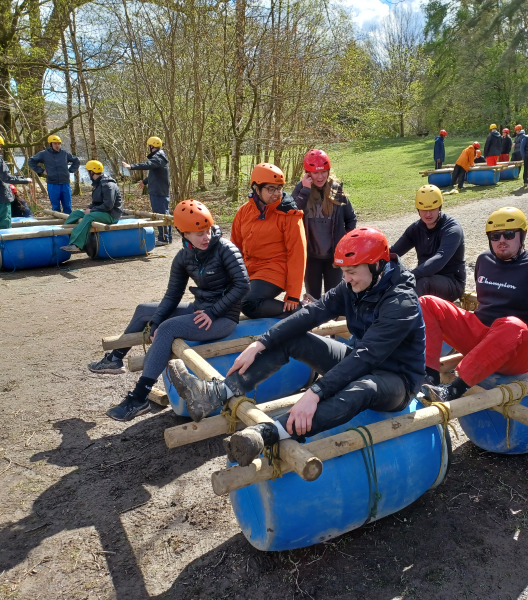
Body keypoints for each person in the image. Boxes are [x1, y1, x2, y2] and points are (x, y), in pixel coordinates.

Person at [166, 226, 426, 467]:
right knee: (292, 338)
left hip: (396, 380)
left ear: (378, 265)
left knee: (364, 388)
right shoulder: (354, 284)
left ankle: (268, 433)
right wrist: (262, 342)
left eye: (352, 272)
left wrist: (315, 392)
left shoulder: (401, 302)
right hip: (359, 360)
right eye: (344, 272)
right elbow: (312, 313)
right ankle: (215, 394)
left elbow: (366, 357)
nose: (346, 280)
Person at [96, 200, 250, 421]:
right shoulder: (183, 257)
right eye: (198, 233)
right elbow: (172, 295)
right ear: (183, 233)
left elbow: (243, 285)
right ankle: (115, 359)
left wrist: (214, 312)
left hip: (223, 317)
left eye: (207, 230)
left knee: (168, 329)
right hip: (200, 309)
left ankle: (139, 397)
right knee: (144, 311)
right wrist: (156, 321)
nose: (205, 237)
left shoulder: (225, 248)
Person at [420, 207, 528, 403]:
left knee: (511, 324)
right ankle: (430, 377)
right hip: (483, 337)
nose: (501, 240)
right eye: (495, 236)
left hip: (518, 350)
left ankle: (454, 389)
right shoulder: (484, 260)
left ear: (522, 235)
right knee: (427, 302)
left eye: (509, 234)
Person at [231, 163, 307, 318]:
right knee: (230, 297)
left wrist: (293, 294)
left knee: (249, 303)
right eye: (270, 189)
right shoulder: (243, 212)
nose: (276, 193)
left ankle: (301, 312)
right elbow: (234, 248)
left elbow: (298, 254)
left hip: (276, 269)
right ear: (256, 189)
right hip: (250, 269)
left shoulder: (289, 215)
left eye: (279, 188)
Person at [291, 149, 357, 301]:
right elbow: (291, 212)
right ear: (308, 173)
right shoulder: (301, 189)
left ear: (328, 171)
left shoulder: (336, 189)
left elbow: (351, 218)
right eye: (315, 173)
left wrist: (344, 242)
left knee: (333, 299)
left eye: (323, 172)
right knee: (312, 299)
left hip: (333, 257)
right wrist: (305, 189)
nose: (320, 177)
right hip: (310, 256)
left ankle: (333, 325)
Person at [390, 184, 466, 302]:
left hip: (451, 282)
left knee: (421, 282)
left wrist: (412, 274)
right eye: (424, 210)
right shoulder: (415, 229)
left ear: (439, 207)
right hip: (424, 276)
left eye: (432, 209)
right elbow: (394, 251)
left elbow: (439, 259)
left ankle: (409, 318)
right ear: (418, 210)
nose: (428, 214)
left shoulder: (452, 229)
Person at [60, 160, 122, 253]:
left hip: (111, 214)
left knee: (89, 216)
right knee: (76, 213)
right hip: (101, 211)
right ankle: (62, 236)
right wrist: (89, 208)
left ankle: (76, 244)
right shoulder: (98, 183)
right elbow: (96, 202)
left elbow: (108, 206)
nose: (88, 174)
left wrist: (91, 211)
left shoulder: (108, 185)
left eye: (88, 171)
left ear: (91, 172)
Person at [122, 136, 171, 247]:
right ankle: (166, 237)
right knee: (162, 214)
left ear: (151, 146)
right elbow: (155, 174)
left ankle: (164, 238)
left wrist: (131, 167)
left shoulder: (158, 157)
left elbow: (148, 165)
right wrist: (144, 181)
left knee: (161, 215)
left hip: (159, 192)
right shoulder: (159, 157)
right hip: (157, 191)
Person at [27, 134, 80, 214]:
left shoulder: (64, 154)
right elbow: (31, 161)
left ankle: (69, 223)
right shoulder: (44, 154)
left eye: (59, 144)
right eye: (55, 144)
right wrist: (41, 171)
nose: (57, 146)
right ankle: (57, 224)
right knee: (55, 207)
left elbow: (76, 161)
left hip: (65, 183)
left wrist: (70, 170)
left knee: (68, 206)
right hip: (53, 183)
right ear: (50, 144)